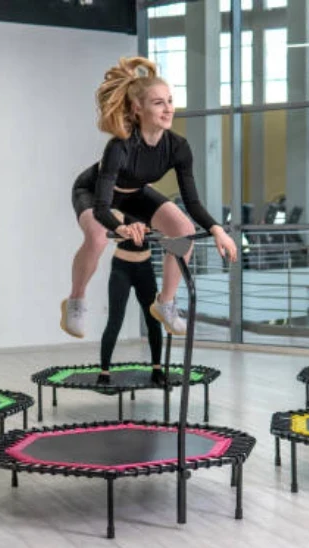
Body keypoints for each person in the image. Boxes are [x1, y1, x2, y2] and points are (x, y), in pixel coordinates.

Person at [61, 56, 237, 339]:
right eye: (159, 103)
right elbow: (104, 207)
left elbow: (192, 203)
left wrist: (218, 230)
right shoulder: (119, 147)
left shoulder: (178, 147)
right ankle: (76, 302)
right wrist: (121, 228)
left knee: (184, 232)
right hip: (93, 192)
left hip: (135, 193)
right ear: (138, 108)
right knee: (96, 237)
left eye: (169, 101)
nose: (168, 109)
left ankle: (165, 304)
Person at [97, 215, 166, 387]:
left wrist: (150, 228)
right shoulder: (119, 205)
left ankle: (157, 369)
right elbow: (113, 228)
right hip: (122, 268)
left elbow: (163, 228)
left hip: (145, 267)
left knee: (153, 319)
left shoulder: (152, 207)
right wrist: (130, 229)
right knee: (115, 320)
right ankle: (104, 371)